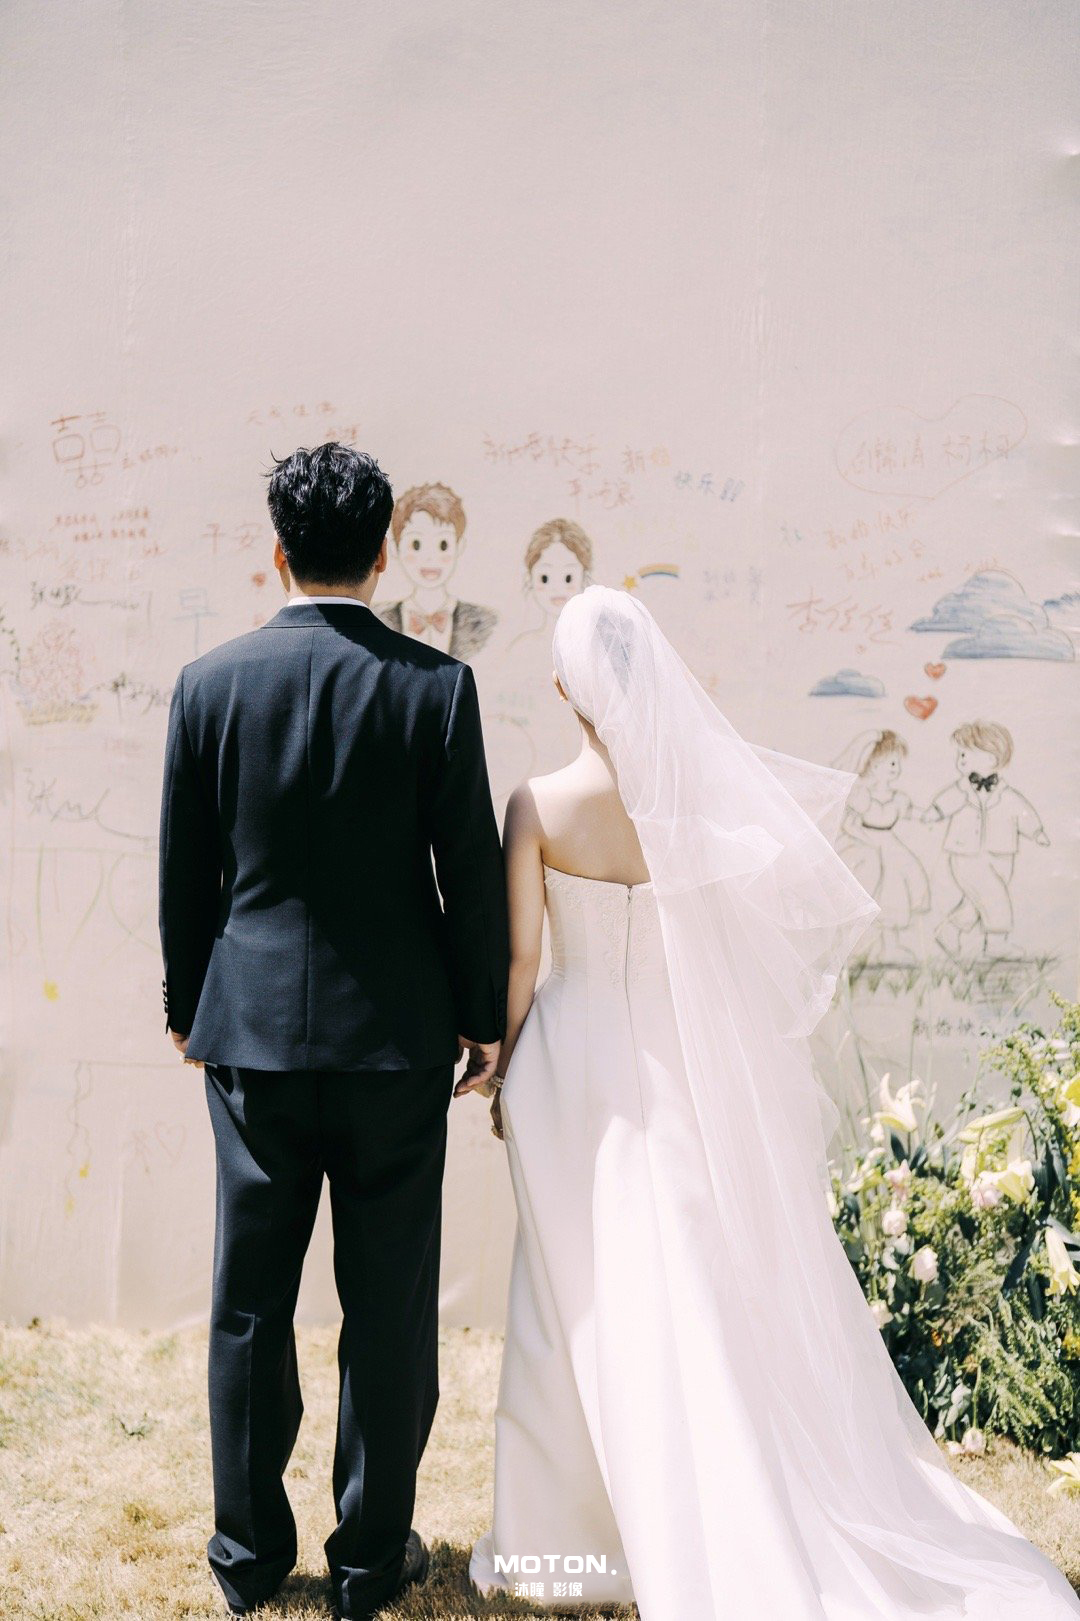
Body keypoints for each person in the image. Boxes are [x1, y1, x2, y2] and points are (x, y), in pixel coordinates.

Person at [470, 585, 1080, 1620]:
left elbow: (522, 965)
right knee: (685, 1285)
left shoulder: (538, 804)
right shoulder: (687, 807)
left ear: (565, 685)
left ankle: (564, 1545)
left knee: (572, 1293)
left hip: (571, 1066)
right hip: (676, 1065)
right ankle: (689, 1504)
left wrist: (501, 1072)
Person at [158, 442, 509, 1621]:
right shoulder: (436, 688)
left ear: (278, 553)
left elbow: (186, 874)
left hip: (251, 1038)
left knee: (248, 1302)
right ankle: (368, 1562)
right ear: (381, 555)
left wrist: (188, 1008)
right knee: (390, 1305)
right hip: (397, 1044)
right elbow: (470, 873)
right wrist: (483, 1020)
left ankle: (249, 1558)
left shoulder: (208, 686)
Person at [375, 481, 498, 659]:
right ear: (395, 548)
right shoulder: (377, 620)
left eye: (443, 545)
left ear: (459, 546)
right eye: (416, 544)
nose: (430, 558)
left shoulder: (484, 622)